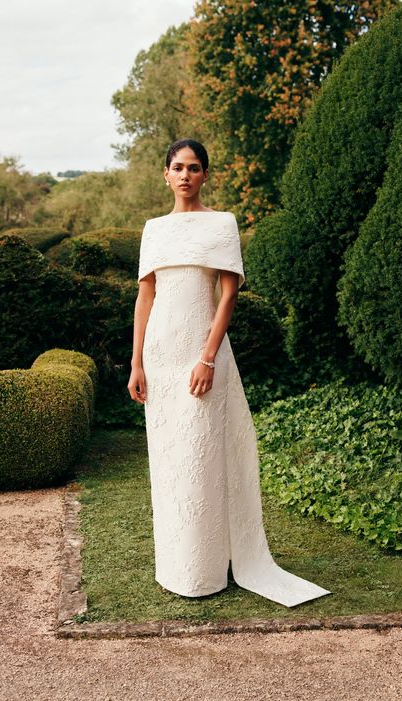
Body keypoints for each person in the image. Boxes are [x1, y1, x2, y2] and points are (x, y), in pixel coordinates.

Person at [127, 138, 331, 607]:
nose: (185, 175)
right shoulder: (154, 230)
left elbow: (227, 295)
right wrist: (137, 362)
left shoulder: (221, 224)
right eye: (177, 167)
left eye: (194, 168)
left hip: (202, 354)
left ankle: (206, 572)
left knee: (201, 457)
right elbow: (145, 296)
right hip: (159, 354)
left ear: (204, 175)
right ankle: (176, 567)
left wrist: (208, 357)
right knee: (170, 459)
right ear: (165, 174)